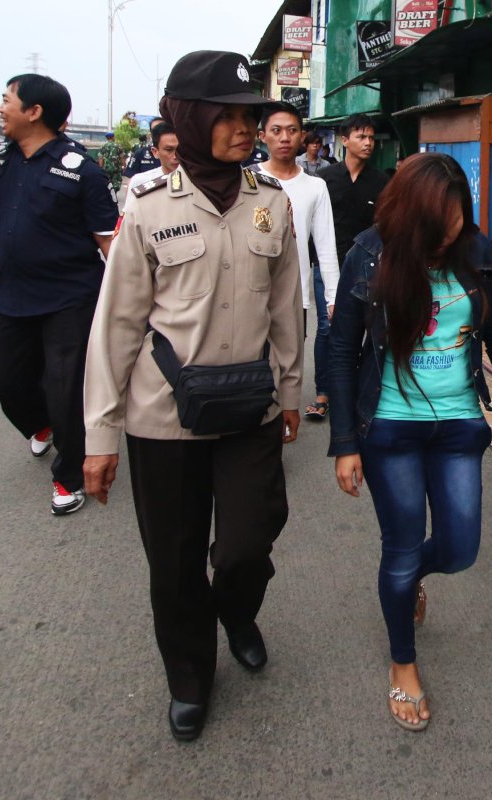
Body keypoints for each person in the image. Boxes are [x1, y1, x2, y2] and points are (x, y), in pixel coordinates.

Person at [82, 50, 304, 741]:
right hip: (163, 416)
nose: (247, 129)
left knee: (246, 544)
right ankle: (190, 676)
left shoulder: (273, 202)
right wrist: (98, 434)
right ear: (191, 116)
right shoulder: (148, 208)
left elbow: (287, 308)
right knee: (174, 562)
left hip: (251, 410)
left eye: (251, 116)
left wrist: (293, 390)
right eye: (230, 116)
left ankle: (237, 611)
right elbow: (116, 324)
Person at [327, 152, 492, 732]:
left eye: (457, 218)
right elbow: (342, 350)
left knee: (461, 548)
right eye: (436, 224)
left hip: (459, 422)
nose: (448, 234)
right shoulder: (370, 251)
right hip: (389, 425)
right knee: (402, 545)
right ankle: (403, 663)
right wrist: (345, 441)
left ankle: (412, 577)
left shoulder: (478, 249)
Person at [0, 74, 118, 515]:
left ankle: (69, 475)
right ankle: (40, 425)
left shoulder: (82, 170)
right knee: (2, 373)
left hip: (71, 299)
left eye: (7, 101)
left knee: (66, 390)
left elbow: (109, 243)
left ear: (34, 112)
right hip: (12, 297)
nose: (0, 109)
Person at [251, 102, 340, 422]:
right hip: (248, 293)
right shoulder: (246, 181)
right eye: (276, 131)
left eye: (291, 130)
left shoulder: (315, 187)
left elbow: (326, 246)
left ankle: (273, 428)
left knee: (285, 367)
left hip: (294, 296)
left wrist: (333, 296)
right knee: (252, 365)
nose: (284, 138)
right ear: (262, 137)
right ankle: (256, 431)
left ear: (302, 136)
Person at [319, 115, 389, 265]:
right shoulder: (323, 178)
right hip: (328, 261)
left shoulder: (381, 181)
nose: (368, 143)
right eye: (361, 137)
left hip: (366, 263)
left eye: (371, 138)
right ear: (345, 141)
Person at [123, 122, 179, 210]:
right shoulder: (140, 182)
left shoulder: (197, 181)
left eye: (180, 149)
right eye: (169, 150)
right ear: (155, 152)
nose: (176, 156)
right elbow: (129, 218)